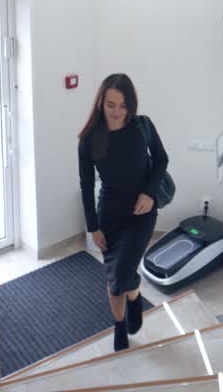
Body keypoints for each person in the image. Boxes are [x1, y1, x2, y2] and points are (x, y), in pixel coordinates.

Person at [78, 73, 169, 351]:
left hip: (142, 213)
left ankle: (133, 296)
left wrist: (150, 192)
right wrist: (93, 227)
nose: (118, 112)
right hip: (110, 217)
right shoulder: (89, 140)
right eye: (111, 105)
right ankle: (121, 323)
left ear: (131, 105)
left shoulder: (142, 127)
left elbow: (162, 159)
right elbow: (85, 185)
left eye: (123, 105)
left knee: (121, 270)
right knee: (116, 279)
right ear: (100, 104)